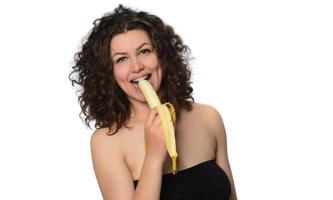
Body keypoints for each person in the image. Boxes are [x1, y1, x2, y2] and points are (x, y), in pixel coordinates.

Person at [69, 4, 237, 200]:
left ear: (162, 56)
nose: (137, 66)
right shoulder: (107, 142)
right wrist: (154, 156)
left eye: (145, 51)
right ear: (109, 73)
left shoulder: (208, 118)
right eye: (122, 59)